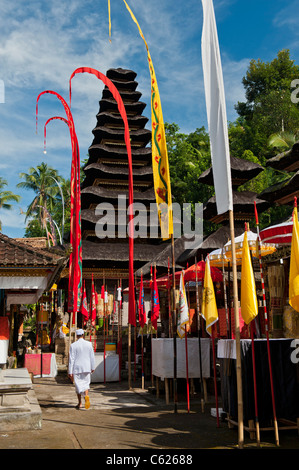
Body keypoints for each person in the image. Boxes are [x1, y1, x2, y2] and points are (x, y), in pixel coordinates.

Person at [68, 329, 95, 409]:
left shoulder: (73, 345)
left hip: (77, 368)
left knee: (78, 386)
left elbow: (71, 359)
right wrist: (92, 367)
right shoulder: (89, 344)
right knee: (86, 384)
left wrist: (70, 371)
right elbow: (92, 357)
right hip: (87, 367)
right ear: (83, 335)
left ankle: (80, 403)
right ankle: (86, 395)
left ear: (77, 336)